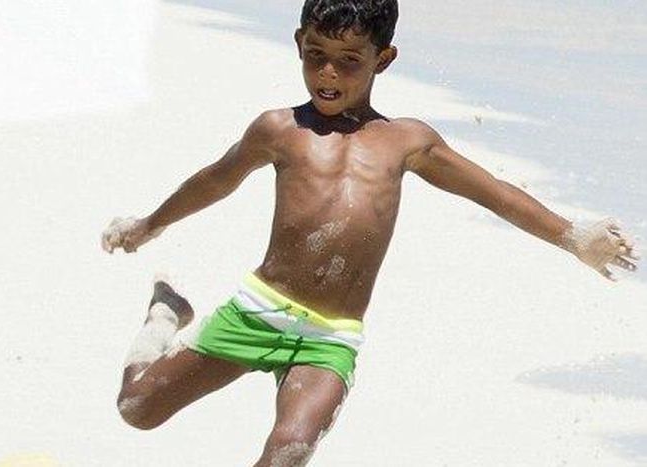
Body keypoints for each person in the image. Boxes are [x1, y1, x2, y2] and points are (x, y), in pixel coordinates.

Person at [101, 1, 640, 465]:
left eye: (349, 61)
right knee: (137, 409)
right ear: (299, 43)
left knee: (290, 448)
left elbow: (494, 193)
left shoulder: (406, 142)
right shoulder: (280, 130)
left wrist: (574, 237)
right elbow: (215, 180)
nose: (328, 74)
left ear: (384, 58)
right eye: (316, 55)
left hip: (329, 337)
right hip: (257, 311)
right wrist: (148, 225)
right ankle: (165, 316)